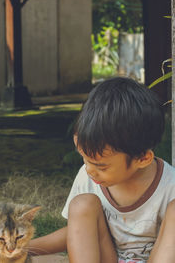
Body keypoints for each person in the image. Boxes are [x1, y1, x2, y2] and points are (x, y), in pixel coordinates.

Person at [28, 77, 175, 262]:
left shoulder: (170, 186)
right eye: (84, 159)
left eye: (100, 166)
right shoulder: (89, 176)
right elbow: (78, 233)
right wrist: (23, 248)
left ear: (143, 159)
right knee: (82, 205)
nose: (89, 170)